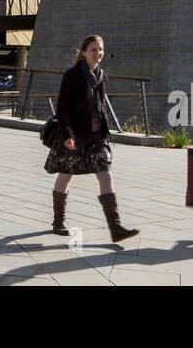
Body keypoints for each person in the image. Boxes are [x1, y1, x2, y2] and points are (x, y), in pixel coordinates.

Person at [45, 34, 139, 243]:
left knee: (105, 176)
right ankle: (58, 221)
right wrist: (67, 134)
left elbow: (101, 104)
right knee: (65, 175)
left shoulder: (103, 75)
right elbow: (63, 108)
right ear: (84, 52)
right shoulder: (72, 75)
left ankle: (116, 228)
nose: (98, 53)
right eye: (94, 49)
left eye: (101, 49)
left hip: (97, 137)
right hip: (75, 136)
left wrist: (105, 129)